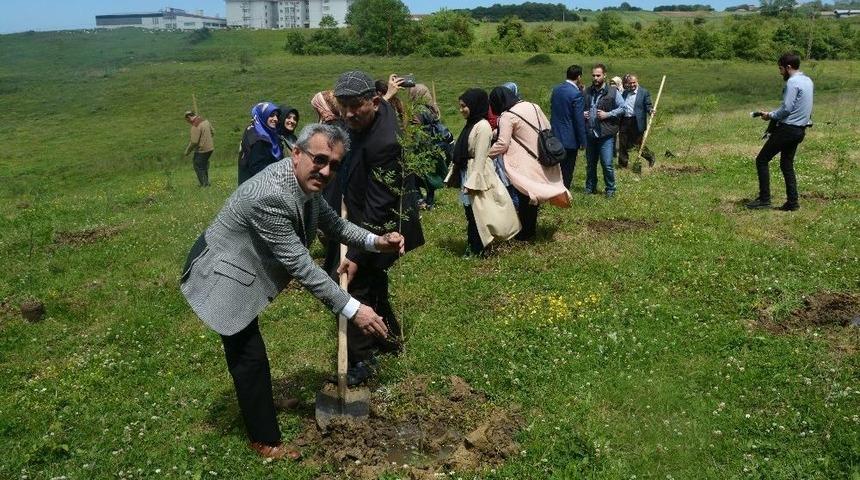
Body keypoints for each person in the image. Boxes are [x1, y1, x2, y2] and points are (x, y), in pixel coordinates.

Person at [180, 123, 405, 460]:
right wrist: (354, 309)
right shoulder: (269, 196)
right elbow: (302, 267)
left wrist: (377, 242)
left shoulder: (305, 184)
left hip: (245, 267)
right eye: (319, 159)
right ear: (296, 153)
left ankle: (261, 403)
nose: (326, 170)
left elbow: (335, 225)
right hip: (221, 274)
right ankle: (265, 441)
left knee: (250, 350)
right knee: (248, 356)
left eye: (335, 165)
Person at [333, 70, 425, 384]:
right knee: (372, 282)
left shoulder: (385, 142)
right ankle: (389, 341)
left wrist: (357, 253)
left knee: (351, 285)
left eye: (354, 107)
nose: (347, 114)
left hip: (384, 224)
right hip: (362, 211)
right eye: (342, 106)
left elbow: (379, 206)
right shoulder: (375, 111)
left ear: (373, 101)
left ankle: (363, 360)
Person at [488, 86, 570, 241]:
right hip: (543, 155)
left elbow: (502, 144)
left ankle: (526, 233)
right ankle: (530, 230)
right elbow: (547, 127)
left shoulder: (507, 116)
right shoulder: (533, 105)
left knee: (526, 196)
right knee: (533, 197)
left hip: (525, 161)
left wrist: (485, 155)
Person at [446, 88, 520, 255]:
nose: (461, 110)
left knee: (478, 214)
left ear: (474, 105)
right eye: (460, 106)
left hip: (477, 175)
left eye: (464, 106)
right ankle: (475, 246)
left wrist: (474, 182)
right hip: (469, 172)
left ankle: (478, 248)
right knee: (471, 213)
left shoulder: (483, 126)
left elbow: (480, 157)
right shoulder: (471, 124)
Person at [746, 52, 813, 212]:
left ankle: (764, 200)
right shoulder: (808, 81)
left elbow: (787, 108)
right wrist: (773, 114)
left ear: (788, 67)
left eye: (781, 68)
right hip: (799, 130)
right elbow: (797, 107)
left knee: (761, 160)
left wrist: (771, 116)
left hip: (787, 129)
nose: (780, 72)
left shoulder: (792, 83)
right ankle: (792, 202)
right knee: (786, 164)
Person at [583, 63, 625, 197]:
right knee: (590, 164)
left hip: (606, 133)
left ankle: (610, 189)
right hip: (590, 133)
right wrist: (582, 113)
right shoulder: (587, 91)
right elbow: (581, 108)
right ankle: (590, 187)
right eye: (593, 75)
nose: (595, 78)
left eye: (598, 75)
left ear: (604, 75)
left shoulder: (613, 92)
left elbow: (623, 108)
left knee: (607, 164)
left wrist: (608, 114)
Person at [409, 83, 452, 210]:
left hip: (421, 145)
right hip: (432, 145)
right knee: (430, 174)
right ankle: (430, 201)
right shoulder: (432, 109)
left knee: (414, 175)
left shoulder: (418, 110)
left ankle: (419, 200)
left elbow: (415, 130)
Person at [550, 65, 588, 189]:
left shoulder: (556, 90)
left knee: (556, 168)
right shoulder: (576, 94)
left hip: (555, 134)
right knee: (567, 169)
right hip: (570, 138)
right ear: (579, 77)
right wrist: (583, 140)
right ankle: (564, 192)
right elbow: (578, 120)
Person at [237, 102, 282, 185]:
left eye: (277, 116)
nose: (275, 119)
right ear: (263, 115)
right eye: (271, 115)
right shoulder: (259, 139)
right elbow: (256, 167)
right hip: (256, 187)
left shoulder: (253, 129)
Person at [618, 74, 656, 169]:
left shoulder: (643, 92)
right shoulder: (625, 93)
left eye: (634, 83)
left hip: (637, 122)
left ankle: (650, 156)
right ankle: (623, 165)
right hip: (625, 120)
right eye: (630, 83)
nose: (632, 85)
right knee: (622, 143)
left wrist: (651, 110)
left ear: (637, 82)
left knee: (638, 145)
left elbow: (648, 105)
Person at [183, 111, 215, 187]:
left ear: (189, 117)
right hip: (210, 148)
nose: (187, 122)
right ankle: (206, 182)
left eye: (187, 120)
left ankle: (204, 184)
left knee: (197, 165)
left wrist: (187, 152)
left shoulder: (195, 126)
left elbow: (194, 142)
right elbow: (213, 132)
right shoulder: (205, 121)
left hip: (202, 149)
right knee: (203, 165)